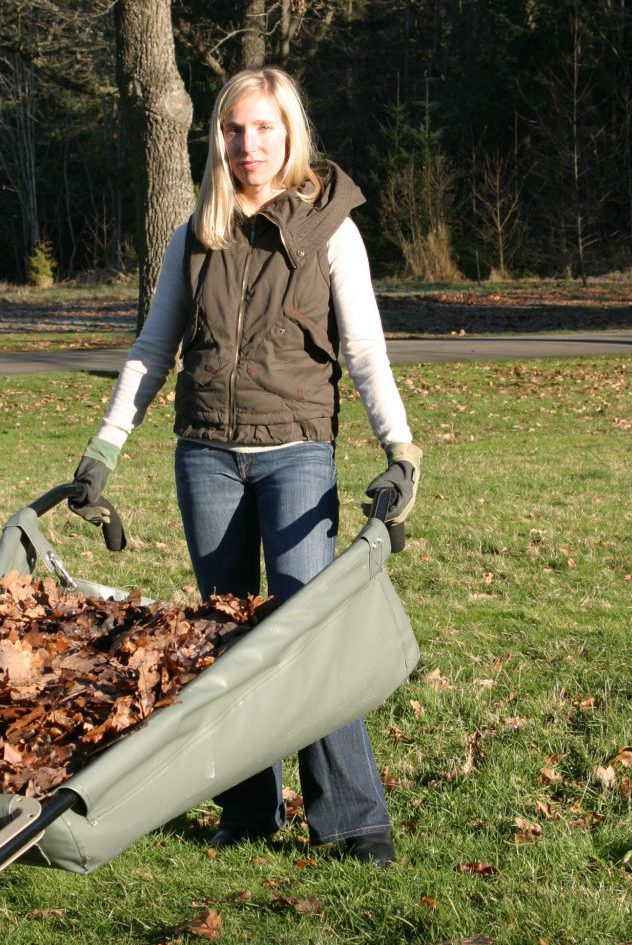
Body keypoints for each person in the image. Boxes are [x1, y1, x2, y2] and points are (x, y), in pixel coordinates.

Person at [68, 66, 421, 867]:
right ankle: (248, 808)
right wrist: (105, 447)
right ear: (215, 139)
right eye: (233, 130)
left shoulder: (330, 229)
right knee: (226, 637)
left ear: (290, 133)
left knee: (308, 634)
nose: (248, 145)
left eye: (263, 128)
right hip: (207, 458)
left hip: (297, 451)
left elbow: (364, 353)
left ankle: (354, 818)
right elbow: (153, 348)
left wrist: (399, 449)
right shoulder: (196, 232)